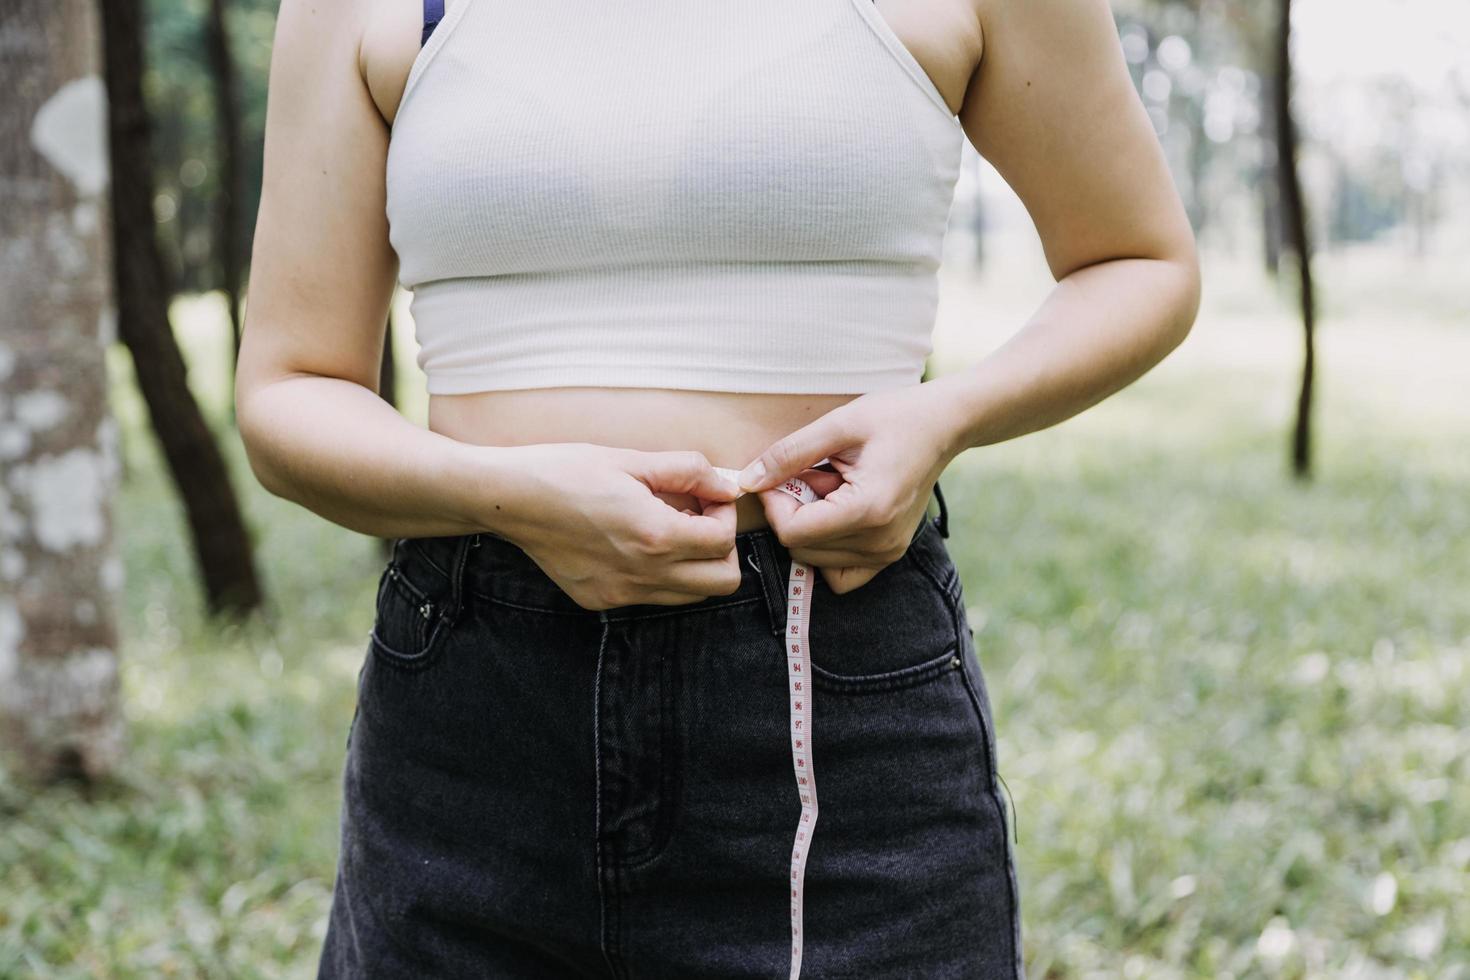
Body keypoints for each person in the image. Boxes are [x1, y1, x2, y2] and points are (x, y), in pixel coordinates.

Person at [236, 0, 1200, 975]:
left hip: (834, 685)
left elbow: (1137, 258)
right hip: (475, 712)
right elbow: (290, 388)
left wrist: (944, 417)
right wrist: (505, 493)